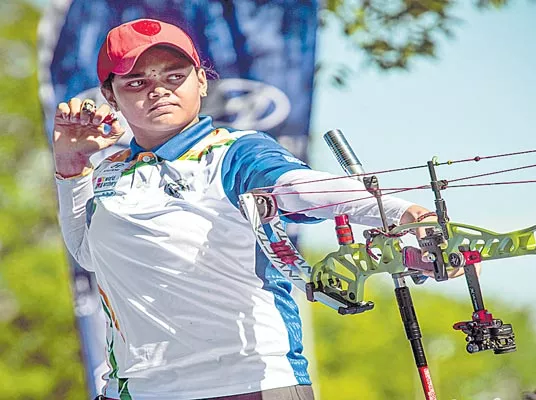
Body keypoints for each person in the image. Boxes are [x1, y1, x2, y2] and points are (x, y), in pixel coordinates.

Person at [53, 18, 461, 400]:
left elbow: (297, 187)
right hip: (141, 389)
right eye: (137, 81)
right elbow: (91, 256)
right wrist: (71, 172)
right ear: (110, 95)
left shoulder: (235, 152)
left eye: (174, 76)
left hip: (251, 382)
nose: (158, 90)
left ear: (202, 81)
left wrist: (404, 213)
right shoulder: (110, 171)